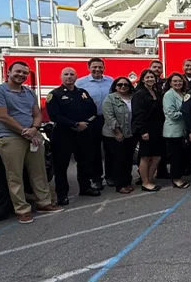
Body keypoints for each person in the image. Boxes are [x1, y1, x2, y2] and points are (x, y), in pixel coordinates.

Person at [0, 61, 62, 224]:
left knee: (39, 172)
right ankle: (22, 209)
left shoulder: (28, 92)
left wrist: (35, 128)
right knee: (15, 175)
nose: (21, 75)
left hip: (32, 136)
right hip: (9, 138)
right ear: (9, 72)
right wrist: (25, 132)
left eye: (25, 73)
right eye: (18, 71)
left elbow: (37, 114)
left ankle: (44, 203)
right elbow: (2, 117)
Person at [46, 67, 101, 205]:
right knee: (61, 166)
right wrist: (75, 124)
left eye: (72, 74)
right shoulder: (55, 95)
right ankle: (62, 194)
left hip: (83, 134)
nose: (69, 77)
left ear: (76, 77)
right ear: (61, 77)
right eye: (66, 74)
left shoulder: (82, 93)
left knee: (84, 162)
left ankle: (85, 187)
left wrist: (86, 123)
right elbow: (55, 116)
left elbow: (93, 111)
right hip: (63, 135)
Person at [76, 57, 114, 189]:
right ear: (89, 68)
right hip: (92, 120)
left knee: (110, 149)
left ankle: (110, 176)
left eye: (100, 67)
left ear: (104, 68)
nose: (97, 69)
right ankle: (97, 178)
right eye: (94, 67)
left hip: (108, 119)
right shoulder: (80, 83)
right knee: (94, 150)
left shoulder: (111, 81)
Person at [102, 77, 137, 194]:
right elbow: (109, 116)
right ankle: (120, 185)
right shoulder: (110, 98)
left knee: (128, 160)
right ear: (115, 86)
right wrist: (117, 132)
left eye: (126, 85)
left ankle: (127, 182)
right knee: (118, 160)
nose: (123, 87)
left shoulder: (133, 97)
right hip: (113, 135)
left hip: (130, 134)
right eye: (120, 84)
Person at [132, 69, 165, 192]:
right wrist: (143, 131)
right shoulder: (139, 94)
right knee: (145, 156)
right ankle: (145, 182)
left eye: (152, 77)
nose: (150, 79)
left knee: (156, 156)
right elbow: (138, 114)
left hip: (157, 128)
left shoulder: (156, 92)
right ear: (142, 79)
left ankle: (150, 179)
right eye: (147, 77)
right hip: (146, 129)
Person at [162, 73, 190, 189]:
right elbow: (171, 114)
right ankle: (176, 179)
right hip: (173, 130)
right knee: (175, 156)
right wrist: (186, 114)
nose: (178, 83)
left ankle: (179, 176)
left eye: (180, 81)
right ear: (170, 83)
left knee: (182, 155)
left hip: (182, 130)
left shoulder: (183, 94)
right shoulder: (169, 95)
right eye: (175, 81)